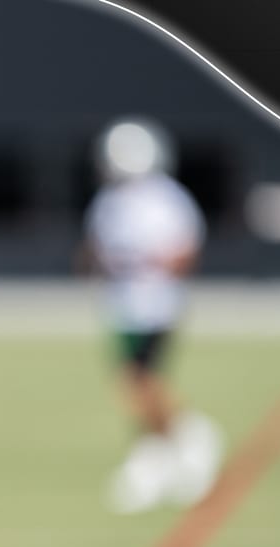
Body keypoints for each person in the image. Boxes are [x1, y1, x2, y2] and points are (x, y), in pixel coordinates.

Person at [78, 115, 223, 514]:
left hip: (155, 304)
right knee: (134, 382)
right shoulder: (108, 202)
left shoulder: (165, 199)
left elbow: (184, 250)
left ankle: (190, 436)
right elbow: (94, 249)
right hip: (121, 305)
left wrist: (149, 265)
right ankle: (156, 453)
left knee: (140, 382)